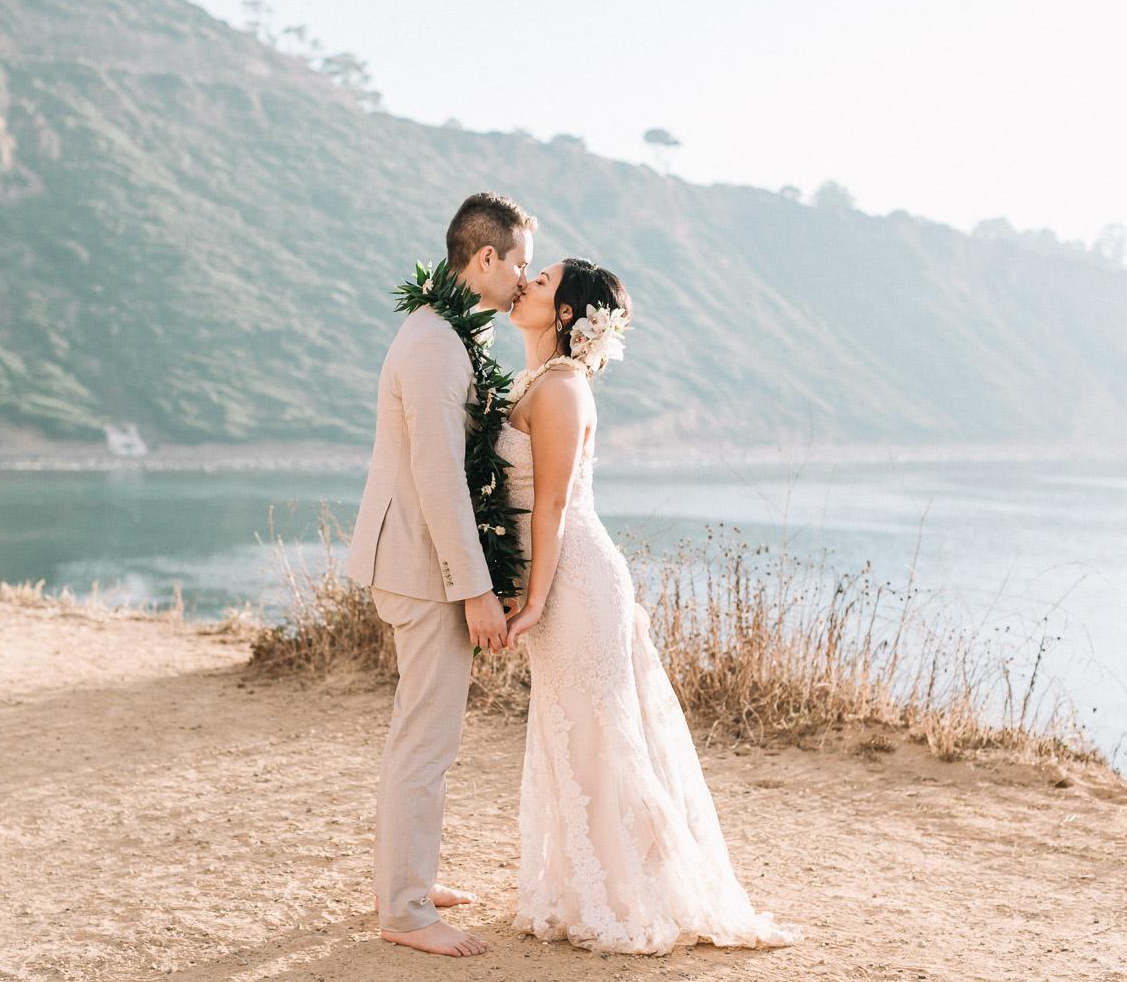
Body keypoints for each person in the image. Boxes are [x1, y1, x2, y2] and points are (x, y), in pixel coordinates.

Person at [499, 257, 806, 955]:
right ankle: (590, 886)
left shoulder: (562, 390)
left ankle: (624, 897)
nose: (525, 284)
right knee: (572, 731)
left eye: (540, 282)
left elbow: (551, 505)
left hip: (576, 581)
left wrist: (533, 600)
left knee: (597, 735)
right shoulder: (537, 380)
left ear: (567, 314)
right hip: (556, 572)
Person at [344, 191, 535, 958]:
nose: (524, 278)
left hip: (420, 560)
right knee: (426, 738)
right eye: (518, 263)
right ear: (485, 258)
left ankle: (406, 880)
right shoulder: (433, 345)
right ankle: (406, 911)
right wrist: (476, 590)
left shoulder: (445, 333)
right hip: (420, 566)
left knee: (425, 733)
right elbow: (437, 477)